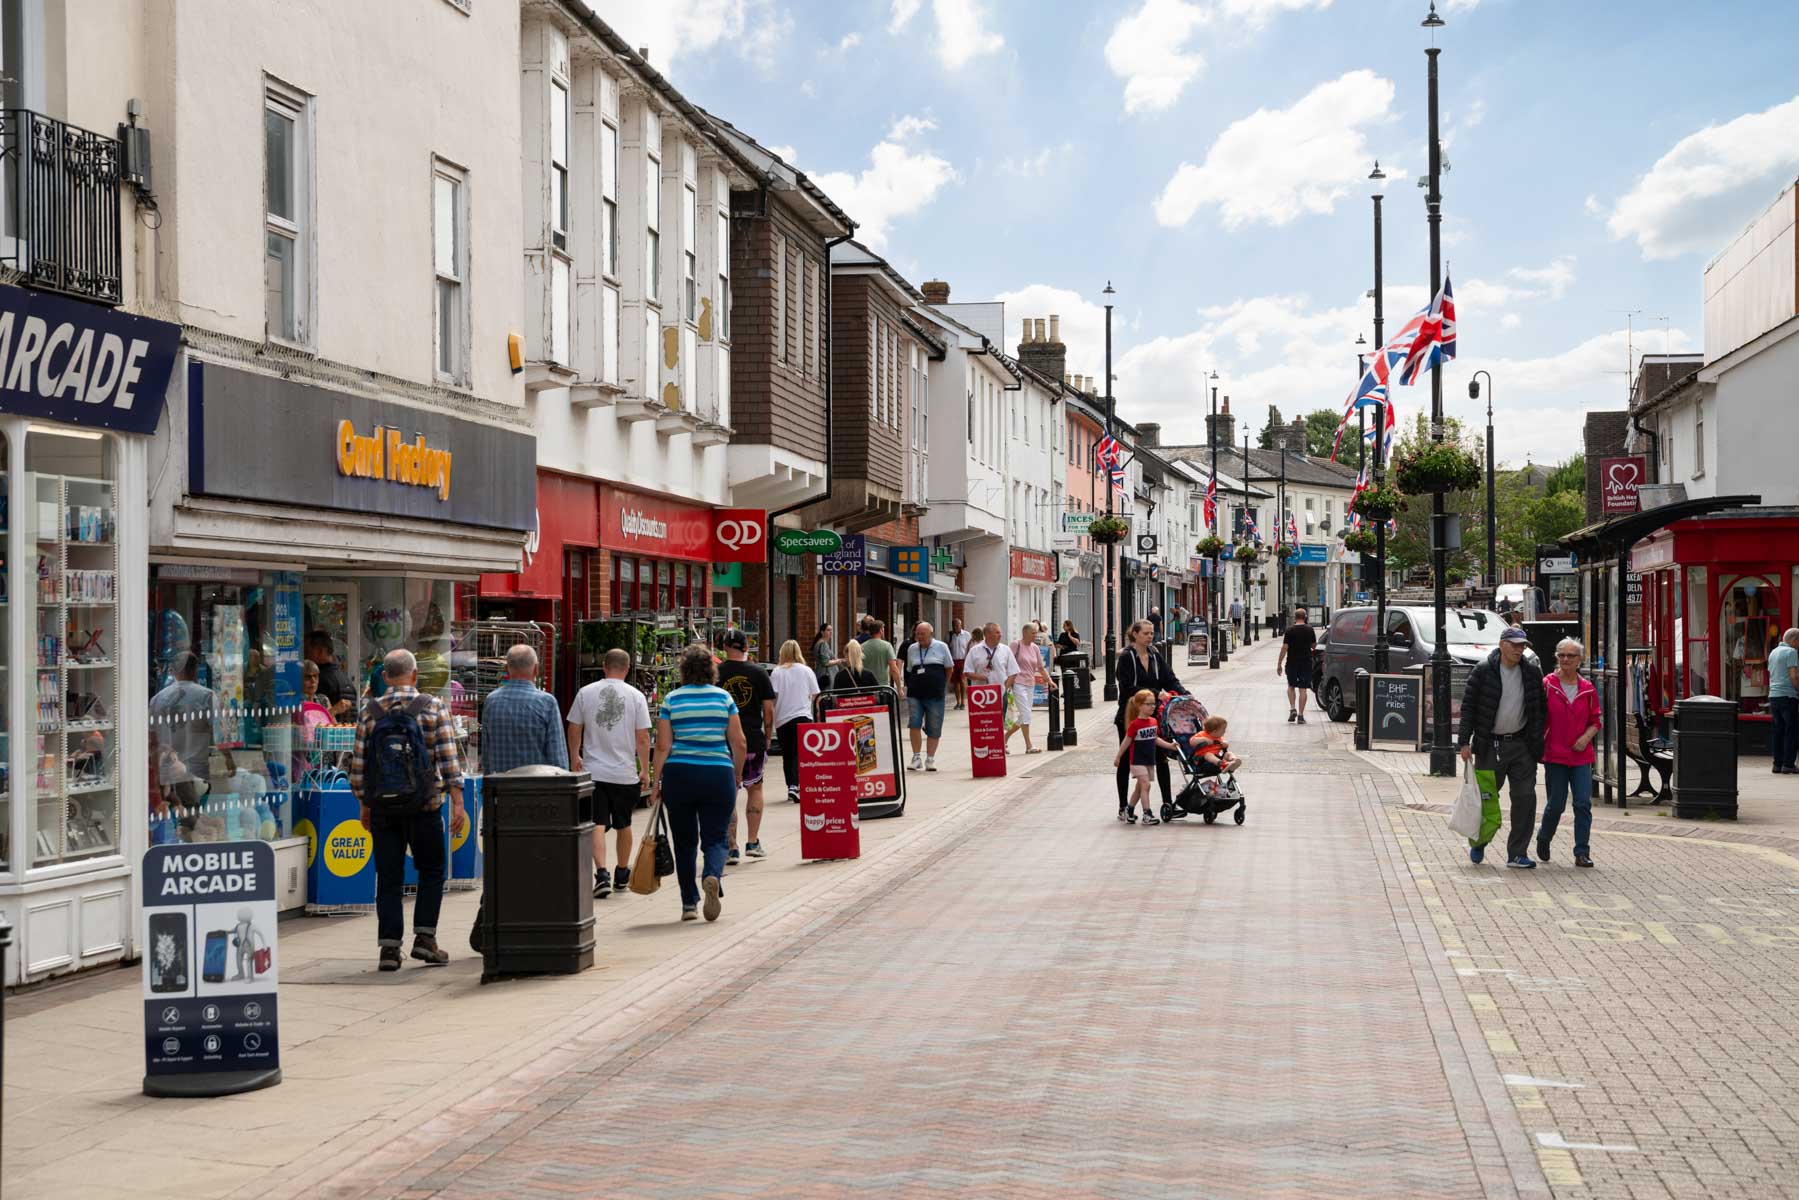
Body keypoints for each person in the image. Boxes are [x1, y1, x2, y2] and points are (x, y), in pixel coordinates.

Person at [351, 649, 466, 971]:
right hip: (425, 806)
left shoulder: (369, 711)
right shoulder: (432, 707)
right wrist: (458, 802)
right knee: (431, 870)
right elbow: (448, 757)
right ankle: (425, 939)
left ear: (385, 677)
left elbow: (358, 766)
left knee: (388, 876)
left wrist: (364, 804)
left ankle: (389, 948)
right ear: (415, 675)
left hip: (383, 809)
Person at [649, 645, 746, 922]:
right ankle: (712, 875)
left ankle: (689, 903)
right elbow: (739, 742)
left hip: (680, 775)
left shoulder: (672, 700)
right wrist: (737, 774)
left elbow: (663, 746)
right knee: (716, 837)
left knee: (684, 841)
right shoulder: (724, 698)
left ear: (684, 670)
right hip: (717, 773)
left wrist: (656, 783)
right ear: (711, 670)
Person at [1458, 626, 1548, 869]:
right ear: (1502, 644)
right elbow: (1468, 708)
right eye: (1515, 645)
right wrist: (1464, 742)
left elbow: (1540, 708)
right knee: (1487, 799)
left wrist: (1537, 740)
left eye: (1523, 646)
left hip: (1522, 746)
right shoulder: (1483, 671)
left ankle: (1517, 853)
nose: (1520, 649)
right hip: (1490, 747)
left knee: (1525, 799)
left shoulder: (1531, 672)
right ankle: (1479, 842)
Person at [567, 649, 652, 897]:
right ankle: (622, 871)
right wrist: (644, 769)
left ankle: (601, 872)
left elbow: (574, 728)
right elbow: (643, 737)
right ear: (627, 668)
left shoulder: (586, 693)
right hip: (625, 773)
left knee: (597, 822)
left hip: (594, 771)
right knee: (624, 823)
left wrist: (575, 756)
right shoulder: (636, 696)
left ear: (604, 666)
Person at [1114, 619, 1188, 819]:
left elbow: (1169, 678)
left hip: (1153, 716)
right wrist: (1156, 693)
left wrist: (1185, 694)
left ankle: (1168, 804)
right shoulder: (1127, 658)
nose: (1150, 636)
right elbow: (1128, 687)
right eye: (1146, 633)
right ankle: (1123, 806)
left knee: (1161, 757)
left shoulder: (1155, 655)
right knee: (1127, 759)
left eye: (1152, 633)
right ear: (1135, 634)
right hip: (1130, 715)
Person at [1538, 637, 1601, 868]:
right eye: (1561, 655)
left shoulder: (1588, 689)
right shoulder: (1547, 684)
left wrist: (1585, 739)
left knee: (1583, 803)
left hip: (1580, 756)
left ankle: (1581, 851)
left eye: (1571, 656)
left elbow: (1596, 721)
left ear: (1579, 660)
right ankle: (1544, 838)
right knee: (1556, 804)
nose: (1565, 659)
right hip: (1554, 753)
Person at [716, 630, 775, 864]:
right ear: (745, 647)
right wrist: (768, 736)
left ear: (725, 646)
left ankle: (731, 847)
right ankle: (752, 841)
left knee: (728, 793)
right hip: (752, 739)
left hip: (723, 742)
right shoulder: (758, 672)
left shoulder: (716, 673)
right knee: (755, 789)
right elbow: (768, 710)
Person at [480, 645, 567, 774]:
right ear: (536, 669)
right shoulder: (547, 703)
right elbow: (557, 757)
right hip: (536, 788)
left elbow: (486, 753)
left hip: (500, 788)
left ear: (506, 669)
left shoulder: (491, 701)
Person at [150, 652, 216, 810]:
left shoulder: (157, 699)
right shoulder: (207, 696)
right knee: (194, 822)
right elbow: (218, 734)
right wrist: (229, 760)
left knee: (172, 819)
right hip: (195, 772)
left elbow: (152, 740)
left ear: (174, 670)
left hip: (165, 773)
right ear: (195, 670)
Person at [1114, 690, 1175, 825]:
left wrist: (1170, 746)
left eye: (1154, 704)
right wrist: (1118, 756)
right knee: (1146, 785)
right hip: (1137, 760)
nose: (1153, 707)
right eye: (1149, 704)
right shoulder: (1135, 724)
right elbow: (1126, 741)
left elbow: (1155, 739)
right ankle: (1147, 814)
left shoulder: (1153, 721)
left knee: (1139, 788)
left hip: (1149, 760)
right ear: (1139, 706)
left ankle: (1129, 810)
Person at [769, 639, 820, 802]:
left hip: (783, 719)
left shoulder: (777, 672)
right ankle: (800, 785)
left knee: (788, 754)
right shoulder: (807, 671)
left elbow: (772, 698)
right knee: (802, 754)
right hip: (804, 716)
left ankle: (792, 784)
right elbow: (816, 694)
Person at [902, 622, 954, 771]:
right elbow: (910, 669)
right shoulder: (912, 649)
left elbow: (949, 668)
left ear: (931, 634)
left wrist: (943, 686)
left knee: (934, 726)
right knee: (914, 723)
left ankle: (930, 759)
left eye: (922, 634)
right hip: (915, 694)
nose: (919, 637)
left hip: (935, 694)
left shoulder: (942, 647)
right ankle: (916, 757)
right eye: (917, 634)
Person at [1007, 622, 1057, 754]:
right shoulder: (1015, 645)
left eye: (1036, 633)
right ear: (1025, 633)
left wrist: (1050, 681)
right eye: (1033, 633)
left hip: (1030, 684)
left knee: (1025, 715)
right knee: (1026, 714)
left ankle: (1004, 738)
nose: (1036, 635)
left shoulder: (1035, 648)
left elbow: (1040, 667)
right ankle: (1028, 745)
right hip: (1017, 683)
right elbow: (1007, 663)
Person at [965, 622, 1022, 730]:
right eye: (997, 633)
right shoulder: (975, 650)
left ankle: (999, 745)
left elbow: (1014, 671)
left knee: (999, 723)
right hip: (980, 696)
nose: (1000, 635)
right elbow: (967, 672)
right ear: (987, 634)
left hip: (1000, 694)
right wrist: (979, 677)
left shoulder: (1005, 650)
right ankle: (983, 745)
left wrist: (1005, 687)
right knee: (981, 724)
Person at [1276, 606, 1317, 724]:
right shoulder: (1310, 630)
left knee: (1291, 686)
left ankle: (1292, 708)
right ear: (1305, 617)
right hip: (1306, 662)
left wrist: (1279, 663)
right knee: (1303, 689)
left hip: (1292, 662)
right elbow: (1314, 646)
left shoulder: (1289, 630)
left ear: (1295, 617)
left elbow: (1284, 648)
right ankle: (1300, 715)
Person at [1768, 628, 1799, 775]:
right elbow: (1793, 676)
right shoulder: (1791, 652)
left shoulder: (1773, 652)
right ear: (1794, 640)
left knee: (1778, 731)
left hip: (1773, 696)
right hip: (1788, 695)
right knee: (1791, 730)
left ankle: (1777, 764)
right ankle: (1788, 764)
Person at [305, 631, 357, 718]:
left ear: (320, 651)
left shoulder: (322, 680)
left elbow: (317, 721)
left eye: (308, 651)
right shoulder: (345, 678)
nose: (305, 655)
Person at [860, 620, 899, 691]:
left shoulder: (862, 647)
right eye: (883, 629)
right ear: (881, 631)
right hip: (882, 686)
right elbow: (894, 668)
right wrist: (899, 688)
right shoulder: (887, 646)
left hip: (866, 686)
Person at [949, 618, 973, 710]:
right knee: (955, 682)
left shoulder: (967, 635)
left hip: (963, 660)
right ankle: (957, 702)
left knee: (963, 681)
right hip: (953, 661)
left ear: (961, 625)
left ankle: (963, 702)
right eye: (954, 625)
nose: (955, 627)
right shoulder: (949, 636)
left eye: (957, 625)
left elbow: (971, 648)